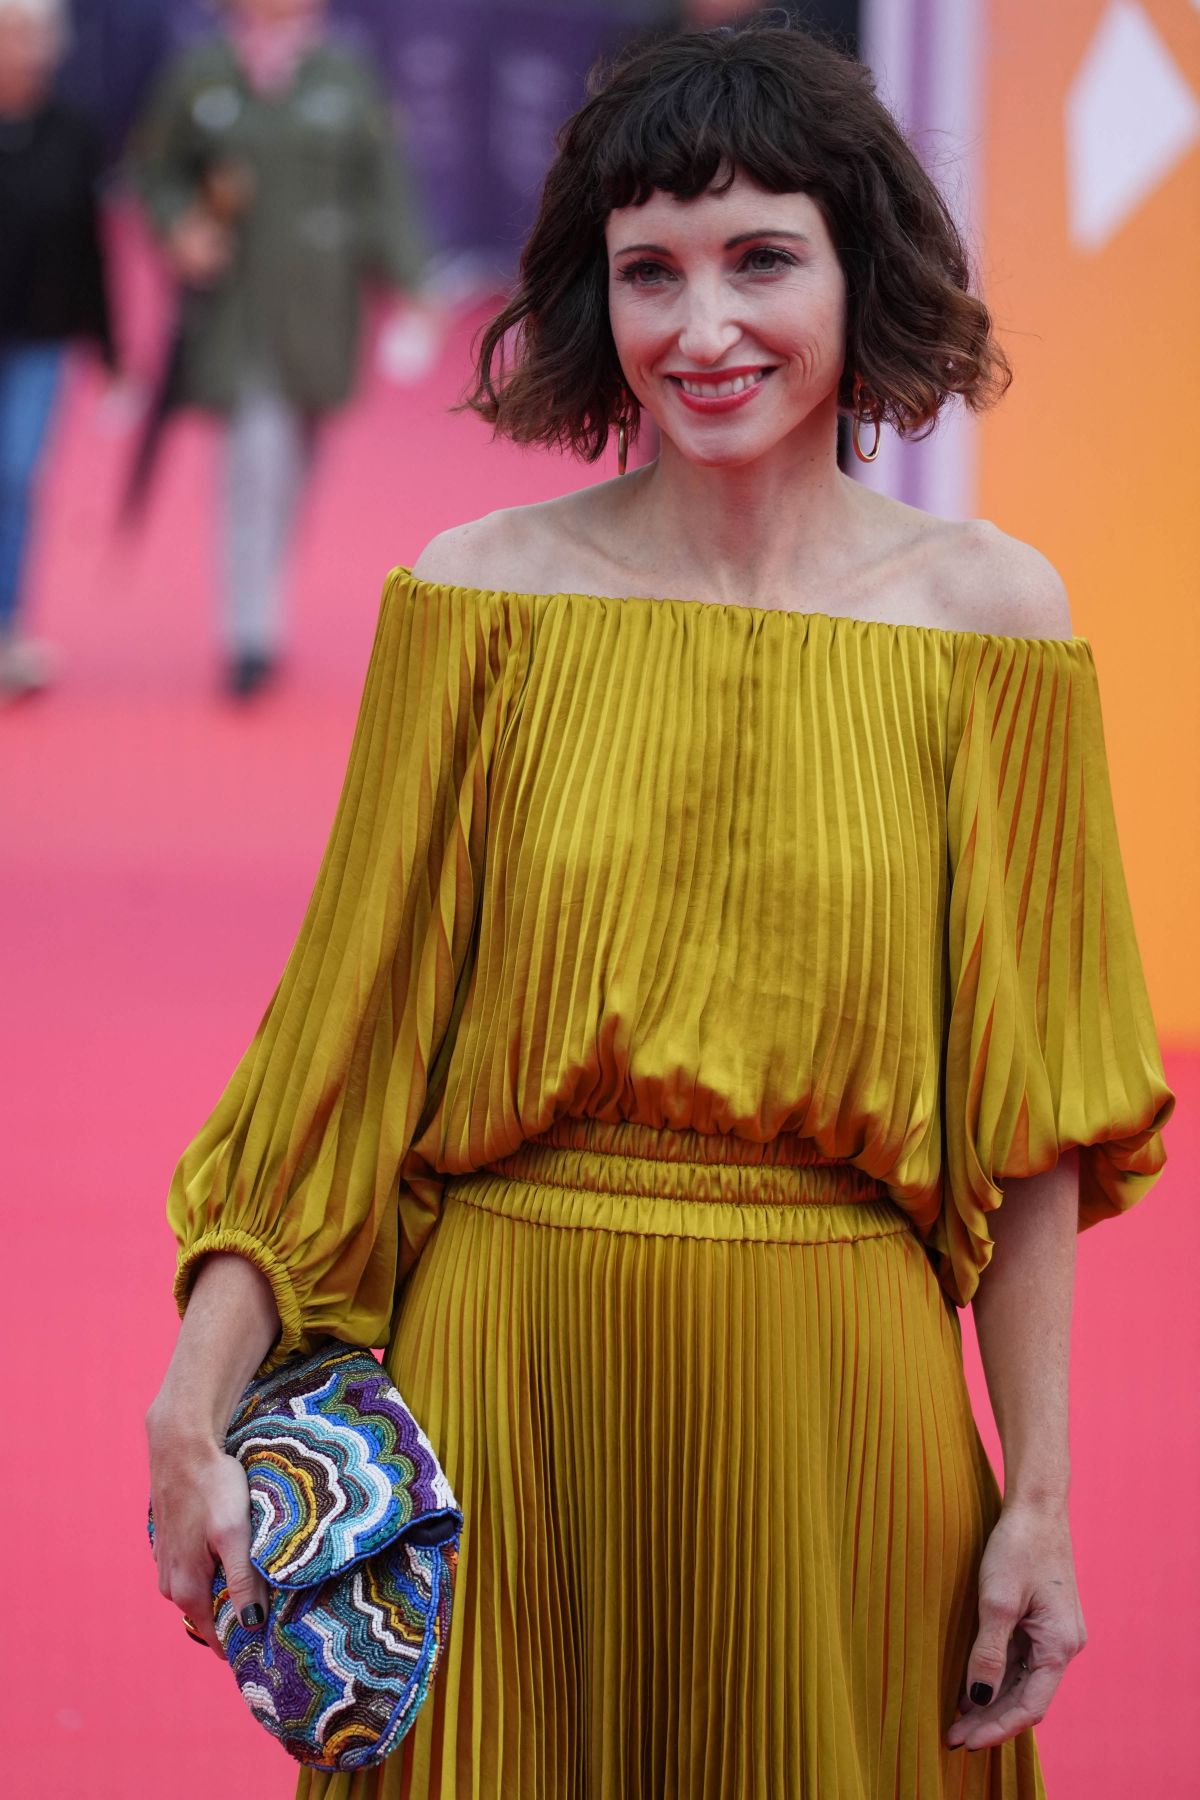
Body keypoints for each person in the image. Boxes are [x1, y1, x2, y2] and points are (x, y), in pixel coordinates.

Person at [146, 22, 1174, 1799]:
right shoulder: (477, 602)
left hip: (842, 1420)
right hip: (504, 1389)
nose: (704, 332)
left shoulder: (995, 624)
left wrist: (1044, 1505)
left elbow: (1035, 1130)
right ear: (589, 302)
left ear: (865, 266)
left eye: (763, 259)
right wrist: (192, 1389)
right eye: (649, 275)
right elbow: (342, 1052)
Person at [131, 0, 432, 699]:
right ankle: (250, 632)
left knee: (297, 458)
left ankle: (262, 588)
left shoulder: (344, 72)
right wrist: (180, 226)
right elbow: (155, 170)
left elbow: (382, 184)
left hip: (322, 303)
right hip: (238, 306)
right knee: (251, 459)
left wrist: (412, 278)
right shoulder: (202, 73)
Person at [0, 0, 115, 701]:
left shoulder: (73, 132)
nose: (29, 50)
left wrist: (110, 347)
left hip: (40, 339)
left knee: (15, 473)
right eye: (14, 35)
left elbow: (90, 248)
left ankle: (8, 627)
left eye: (39, 36)